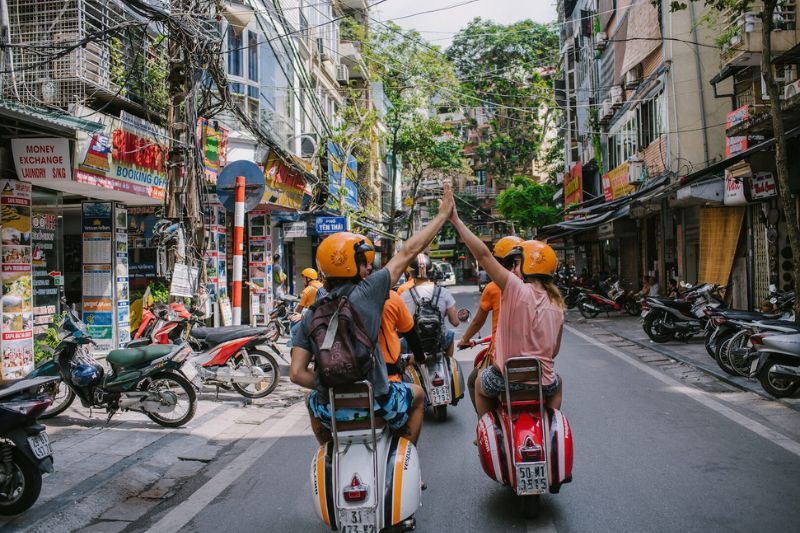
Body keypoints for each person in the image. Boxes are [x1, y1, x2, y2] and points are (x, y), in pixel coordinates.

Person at [289, 182, 455, 446]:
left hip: (329, 406)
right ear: (350, 265)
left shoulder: (311, 313)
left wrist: (326, 387)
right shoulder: (368, 293)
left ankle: (328, 450)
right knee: (419, 396)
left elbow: (297, 374)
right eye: (363, 262)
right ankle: (406, 457)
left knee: (312, 404)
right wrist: (442, 216)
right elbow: (408, 251)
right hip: (379, 401)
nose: (368, 267)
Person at [448, 204, 565, 418]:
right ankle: (549, 421)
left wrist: (456, 221)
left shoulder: (513, 287)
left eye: (517, 262)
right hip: (544, 383)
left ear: (529, 264)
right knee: (559, 385)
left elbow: (483, 256)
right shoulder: (558, 304)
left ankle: (487, 427)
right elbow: (554, 351)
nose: (513, 268)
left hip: (505, 380)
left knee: (480, 387)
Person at [458, 235, 523, 410]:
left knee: (473, 382)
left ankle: (483, 427)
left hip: (501, 359)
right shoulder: (536, 289)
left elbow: (478, 321)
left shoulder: (495, 287)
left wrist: (464, 340)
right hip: (532, 362)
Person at [400, 254, 460, 361]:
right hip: (439, 343)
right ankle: (448, 364)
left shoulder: (404, 296)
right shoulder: (444, 292)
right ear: (431, 271)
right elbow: (455, 322)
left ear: (411, 273)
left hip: (414, 345)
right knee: (450, 335)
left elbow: (399, 327)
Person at [286, 268, 325, 349]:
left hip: (312, 314)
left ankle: (296, 349)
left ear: (308, 278)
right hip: (322, 314)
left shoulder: (307, 290)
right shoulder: (322, 285)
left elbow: (299, 309)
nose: (303, 280)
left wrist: (293, 316)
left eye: (304, 278)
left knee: (293, 331)